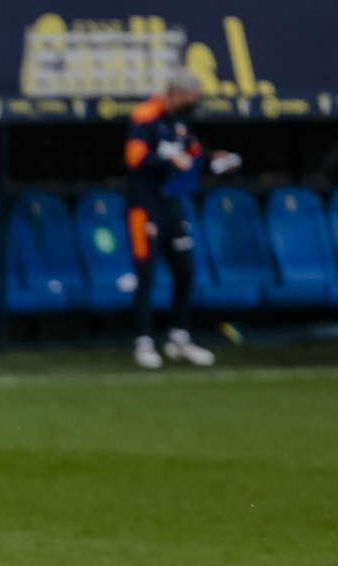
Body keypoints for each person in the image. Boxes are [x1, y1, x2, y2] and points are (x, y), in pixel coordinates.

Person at [125, 70, 239, 369]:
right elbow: (135, 158)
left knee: (185, 270)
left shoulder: (181, 121)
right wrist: (168, 160)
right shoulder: (145, 116)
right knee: (146, 275)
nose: (195, 102)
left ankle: (179, 338)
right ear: (177, 92)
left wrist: (215, 158)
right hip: (144, 207)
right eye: (192, 96)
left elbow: (193, 152)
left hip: (172, 203)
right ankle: (143, 342)